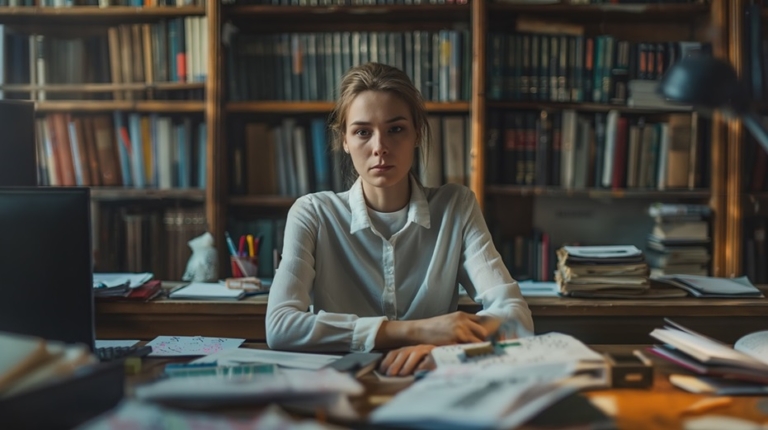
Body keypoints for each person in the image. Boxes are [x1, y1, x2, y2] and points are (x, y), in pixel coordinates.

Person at [266, 62, 533, 376]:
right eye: (363, 132)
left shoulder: (456, 206)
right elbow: (281, 326)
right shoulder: (313, 213)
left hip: (431, 382)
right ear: (344, 140)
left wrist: (448, 347)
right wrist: (416, 332)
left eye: (395, 129)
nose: (380, 147)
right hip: (343, 387)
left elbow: (517, 317)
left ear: (417, 133)